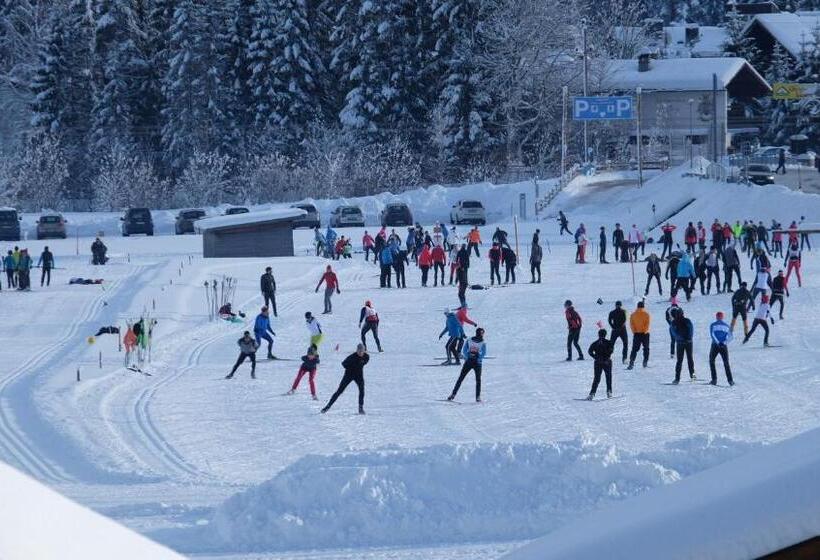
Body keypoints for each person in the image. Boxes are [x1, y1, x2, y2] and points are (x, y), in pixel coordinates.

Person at [322, 344, 370, 414]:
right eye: (359, 351)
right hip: (348, 375)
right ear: (356, 350)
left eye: (361, 351)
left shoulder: (366, 357)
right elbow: (343, 364)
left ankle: (360, 408)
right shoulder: (351, 357)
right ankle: (327, 407)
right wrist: (351, 368)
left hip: (359, 375)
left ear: (364, 351)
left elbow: (364, 362)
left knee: (362, 390)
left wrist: (357, 367)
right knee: (339, 391)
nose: (360, 353)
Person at [447, 327, 486, 402]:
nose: (482, 335)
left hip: (473, 362)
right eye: (482, 333)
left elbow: (466, 351)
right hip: (473, 362)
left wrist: (471, 357)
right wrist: (472, 358)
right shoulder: (474, 341)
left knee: (472, 379)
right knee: (465, 379)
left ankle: (477, 397)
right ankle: (454, 394)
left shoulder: (478, 342)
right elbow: (466, 350)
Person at [586, 329, 614, 400]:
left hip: (598, 362)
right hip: (607, 362)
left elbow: (590, 351)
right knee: (608, 377)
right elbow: (611, 350)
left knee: (597, 378)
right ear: (605, 334)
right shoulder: (609, 342)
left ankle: (592, 394)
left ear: (598, 335)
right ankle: (609, 392)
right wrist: (606, 357)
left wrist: (596, 357)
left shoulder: (595, 343)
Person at [670, 307, 695, 384]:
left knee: (679, 361)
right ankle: (692, 376)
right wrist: (689, 338)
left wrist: (679, 339)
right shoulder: (687, 320)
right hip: (689, 342)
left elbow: (673, 333)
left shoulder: (674, 322)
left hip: (680, 343)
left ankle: (677, 378)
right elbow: (691, 330)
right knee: (690, 359)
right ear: (683, 313)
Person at [709, 312, 734, 386]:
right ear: (722, 317)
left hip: (715, 345)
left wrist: (718, 342)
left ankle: (714, 380)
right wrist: (724, 343)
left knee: (712, 361)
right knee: (726, 363)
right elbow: (731, 337)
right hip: (724, 346)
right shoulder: (727, 326)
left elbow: (712, 334)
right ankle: (730, 381)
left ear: (716, 317)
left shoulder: (713, 325)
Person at [627, 301, 650, 370]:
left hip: (636, 334)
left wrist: (634, 331)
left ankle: (631, 362)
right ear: (643, 306)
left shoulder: (633, 315)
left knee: (634, 349)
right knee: (646, 348)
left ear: (637, 306)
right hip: (645, 334)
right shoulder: (646, 314)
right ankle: (645, 362)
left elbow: (631, 324)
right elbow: (647, 324)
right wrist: (645, 331)